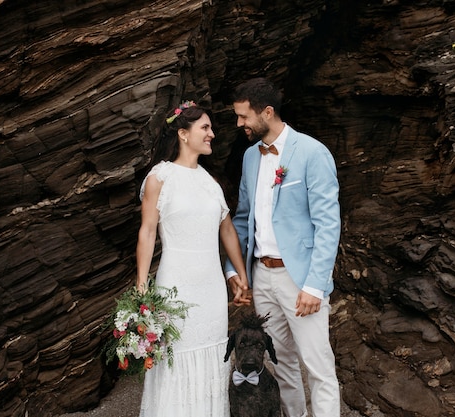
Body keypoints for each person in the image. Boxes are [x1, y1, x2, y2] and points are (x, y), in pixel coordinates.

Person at [224, 78, 341, 417]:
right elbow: (244, 219)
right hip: (262, 277)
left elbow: (328, 224)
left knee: (318, 367)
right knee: (283, 363)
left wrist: (315, 285)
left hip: (300, 278)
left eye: (244, 117)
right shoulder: (249, 158)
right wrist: (235, 270)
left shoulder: (312, 153)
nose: (239, 124)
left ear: (268, 112)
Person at [136, 101, 250, 417]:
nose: (212, 134)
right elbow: (147, 232)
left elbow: (227, 230)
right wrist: (142, 285)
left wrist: (240, 274)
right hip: (176, 284)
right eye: (205, 128)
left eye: (211, 128)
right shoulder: (160, 177)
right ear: (184, 134)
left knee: (213, 356)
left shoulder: (210, 182)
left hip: (211, 287)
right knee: (176, 357)